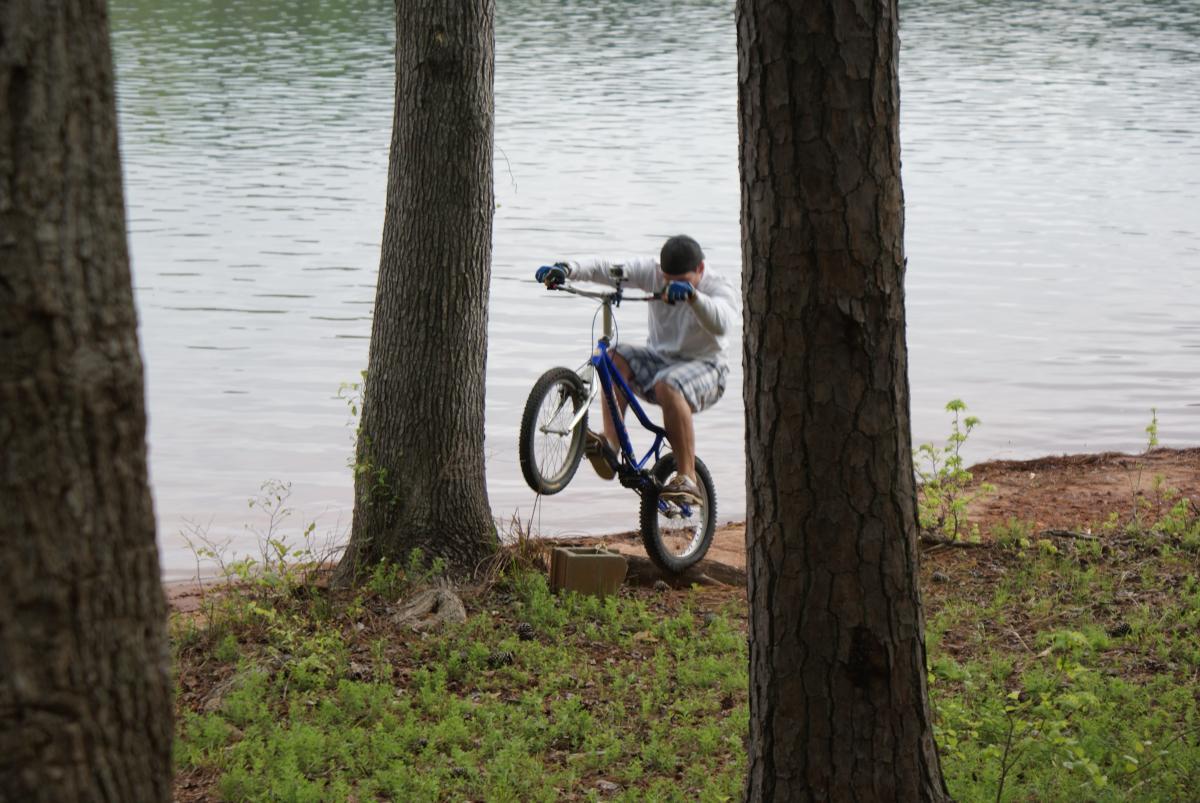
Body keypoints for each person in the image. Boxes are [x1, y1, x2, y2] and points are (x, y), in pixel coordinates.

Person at [534, 234, 738, 504]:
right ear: (661, 272)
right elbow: (606, 267)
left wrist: (693, 296)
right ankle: (611, 445)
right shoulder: (652, 272)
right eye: (668, 280)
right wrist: (566, 268)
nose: (671, 285)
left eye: (682, 280)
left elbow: (722, 324)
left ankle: (687, 478)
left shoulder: (718, 286)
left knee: (670, 383)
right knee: (614, 357)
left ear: (700, 269)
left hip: (708, 369)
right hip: (660, 362)